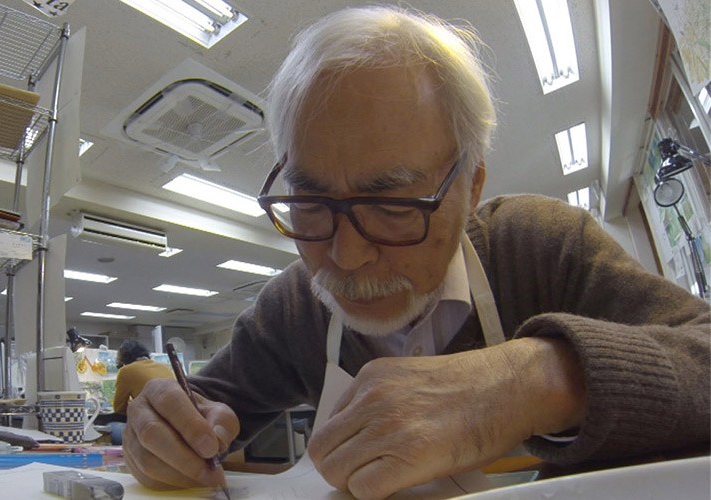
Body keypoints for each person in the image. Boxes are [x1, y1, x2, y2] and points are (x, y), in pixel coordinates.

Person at [120, 5, 710, 499]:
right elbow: (208, 406)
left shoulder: (541, 247)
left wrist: (536, 381)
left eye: (393, 204)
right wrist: (165, 426)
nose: (345, 257)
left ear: (471, 186)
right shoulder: (294, 306)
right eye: (310, 201)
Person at [112, 340, 174, 415]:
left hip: (157, 419)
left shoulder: (126, 371)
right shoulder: (164, 367)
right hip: (178, 416)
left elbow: (119, 408)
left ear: (123, 359)